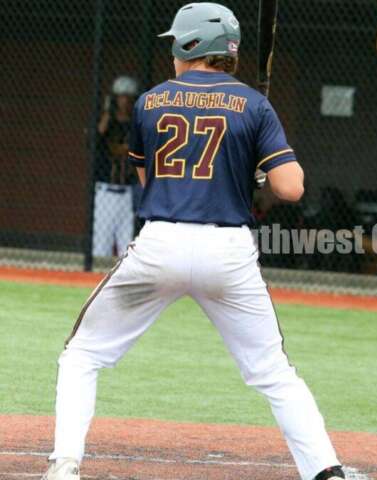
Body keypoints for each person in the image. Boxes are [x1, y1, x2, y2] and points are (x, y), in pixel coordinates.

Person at [41, 4, 344, 480]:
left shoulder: (150, 101)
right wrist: (257, 169)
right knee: (273, 373)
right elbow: (291, 189)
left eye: (175, 43)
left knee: (81, 355)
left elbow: (150, 179)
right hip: (229, 251)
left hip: (160, 241)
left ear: (191, 46)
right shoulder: (255, 105)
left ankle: (64, 466)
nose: (171, 53)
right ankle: (327, 471)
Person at [92, 75, 140, 257]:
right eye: (121, 97)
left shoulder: (136, 124)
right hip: (105, 190)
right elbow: (94, 141)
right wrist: (107, 114)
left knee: (126, 246)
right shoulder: (107, 122)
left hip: (128, 191)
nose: (124, 101)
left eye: (128, 97)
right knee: (100, 245)